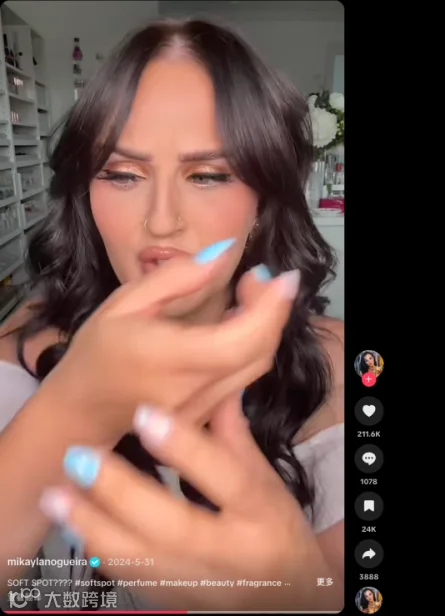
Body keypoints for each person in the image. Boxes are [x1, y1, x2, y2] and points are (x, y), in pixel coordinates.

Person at [0, 18, 344, 612]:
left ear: (263, 202)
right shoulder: (23, 353)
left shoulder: (342, 369)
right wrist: (76, 401)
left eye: (207, 175)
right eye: (122, 174)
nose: (161, 221)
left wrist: (298, 594)